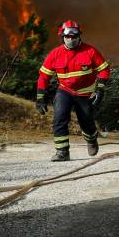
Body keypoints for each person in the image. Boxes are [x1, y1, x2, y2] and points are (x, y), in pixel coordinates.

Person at [35, 20, 109, 162]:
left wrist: (100, 89)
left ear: (79, 36)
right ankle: (62, 152)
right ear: (62, 36)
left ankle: (92, 139)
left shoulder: (90, 51)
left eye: (74, 36)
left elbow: (104, 69)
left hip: (85, 93)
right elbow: (44, 76)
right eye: (67, 36)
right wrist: (40, 97)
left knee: (86, 121)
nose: (71, 39)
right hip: (65, 91)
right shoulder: (55, 54)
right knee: (59, 118)